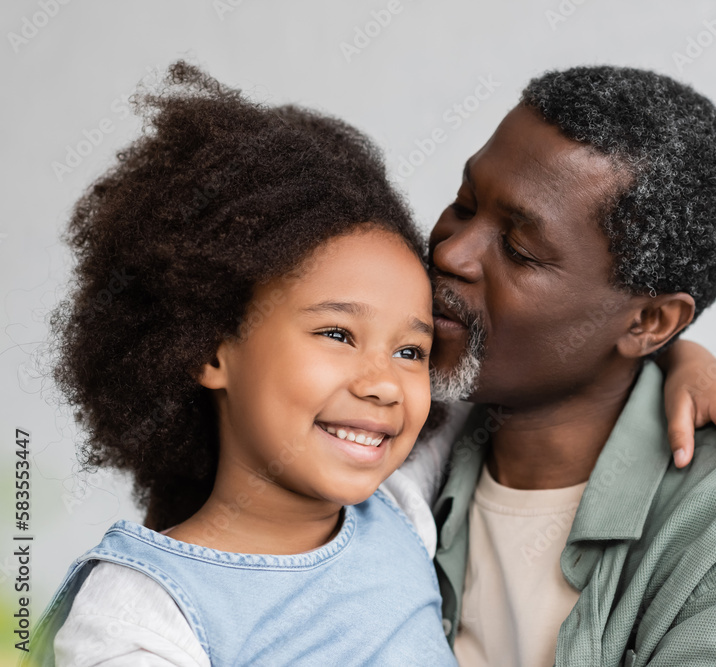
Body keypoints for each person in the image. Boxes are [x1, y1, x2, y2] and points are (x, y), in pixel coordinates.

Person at [27, 61, 456, 666]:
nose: (384, 383)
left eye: (410, 351)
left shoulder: (400, 511)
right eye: (337, 333)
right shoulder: (140, 608)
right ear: (210, 348)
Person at [429, 66, 716, 666]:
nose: (450, 252)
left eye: (521, 251)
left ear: (649, 323)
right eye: (465, 205)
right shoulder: (399, 426)